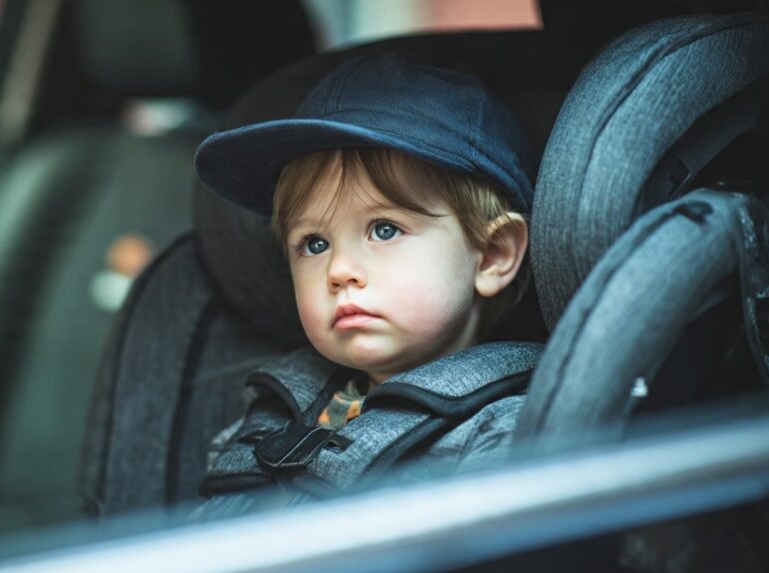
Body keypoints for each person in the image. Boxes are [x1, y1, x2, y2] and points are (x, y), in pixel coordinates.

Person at [192, 53, 539, 509]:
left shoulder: (508, 436)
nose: (338, 271)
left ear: (493, 256)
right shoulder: (269, 418)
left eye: (385, 230)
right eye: (314, 244)